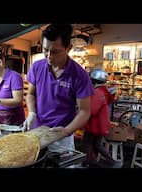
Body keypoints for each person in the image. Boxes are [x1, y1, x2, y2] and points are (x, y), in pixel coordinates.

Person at [23, 24, 94, 152]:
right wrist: (32, 113)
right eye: (45, 50)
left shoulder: (79, 75)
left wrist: (66, 131)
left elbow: (84, 111)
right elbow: (31, 94)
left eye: (55, 51)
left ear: (68, 48)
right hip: (38, 130)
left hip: (62, 133)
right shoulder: (37, 67)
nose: (49, 56)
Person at [82, 70, 122, 168]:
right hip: (100, 124)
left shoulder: (97, 92)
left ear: (93, 81)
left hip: (95, 125)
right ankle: (109, 162)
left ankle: (90, 162)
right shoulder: (103, 91)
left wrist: (81, 110)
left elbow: (92, 110)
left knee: (87, 144)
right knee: (96, 144)